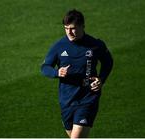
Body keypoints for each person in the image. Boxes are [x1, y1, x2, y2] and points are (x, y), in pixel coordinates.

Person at [41, 9, 113, 138]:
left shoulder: (95, 44)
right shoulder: (59, 46)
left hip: (88, 97)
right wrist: (56, 72)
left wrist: (101, 79)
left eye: (73, 28)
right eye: (66, 28)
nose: (69, 32)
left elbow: (108, 62)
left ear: (82, 26)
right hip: (67, 99)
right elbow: (45, 67)